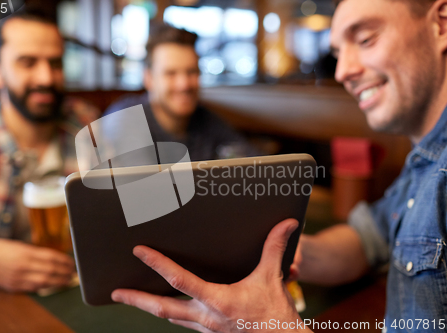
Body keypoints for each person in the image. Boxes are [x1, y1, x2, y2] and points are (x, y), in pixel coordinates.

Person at [110, 0, 447, 332]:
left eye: (365, 39)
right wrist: (292, 253)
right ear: (149, 79)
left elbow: (255, 166)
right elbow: (371, 236)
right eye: (171, 73)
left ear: (442, 25)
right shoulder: (422, 163)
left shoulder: (209, 122)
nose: (342, 71)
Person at [0, 9, 99, 293]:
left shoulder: (88, 127)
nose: (45, 77)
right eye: (27, 63)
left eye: (55, 63)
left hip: (73, 296)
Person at [105, 24, 259, 161]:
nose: (184, 84)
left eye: (191, 72)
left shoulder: (206, 121)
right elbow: (145, 190)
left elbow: (260, 167)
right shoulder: (126, 118)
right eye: (171, 73)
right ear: (149, 78)